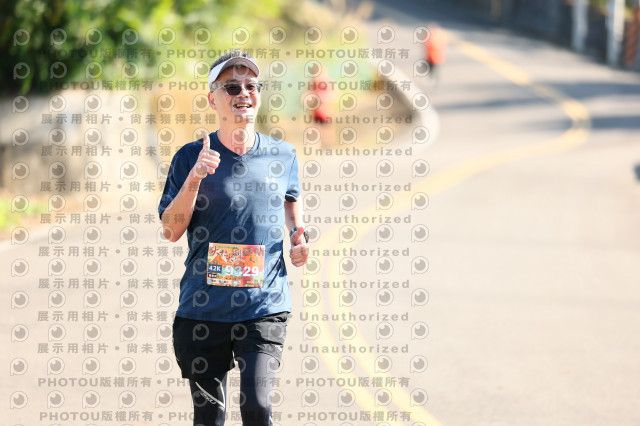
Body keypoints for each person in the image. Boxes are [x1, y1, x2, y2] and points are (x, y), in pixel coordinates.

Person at [158, 49, 309, 426]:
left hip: (264, 304)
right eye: (232, 87)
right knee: (210, 416)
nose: (243, 93)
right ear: (213, 99)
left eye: (251, 85)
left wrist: (297, 236)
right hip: (203, 309)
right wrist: (195, 178)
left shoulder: (283, 154)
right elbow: (171, 230)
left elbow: (290, 200)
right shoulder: (189, 157)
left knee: (257, 407)